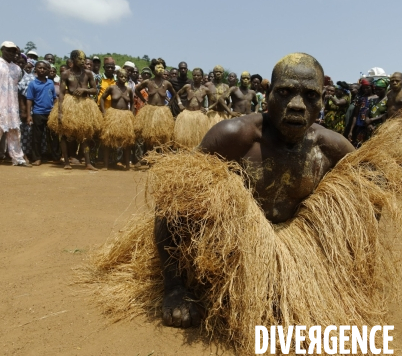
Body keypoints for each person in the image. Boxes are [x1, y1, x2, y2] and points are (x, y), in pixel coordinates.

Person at [154, 52, 355, 327]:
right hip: (233, 250)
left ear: (322, 99)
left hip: (293, 252)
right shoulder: (234, 136)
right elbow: (170, 203)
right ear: (268, 94)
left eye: (310, 96)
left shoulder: (333, 148)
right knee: (182, 200)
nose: (297, 105)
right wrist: (174, 287)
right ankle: (181, 286)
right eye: (285, 92)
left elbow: (368, 200)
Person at [0, 41, 31, 167]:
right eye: (8, 50)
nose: (10, 53)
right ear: (2, 49)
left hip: (12, 106)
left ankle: (18, 158)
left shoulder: (17, 69)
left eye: (13, 51)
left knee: (14, 131)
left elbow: (16, 88)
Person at [52, 50, 100, 170]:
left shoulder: (88, 74)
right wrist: (60, 111)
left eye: (84, 59)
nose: (83, 61)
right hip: (70, 104)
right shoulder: (66, 74)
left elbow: (95, 90)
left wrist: (85, 90)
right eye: (80, 59)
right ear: (73, 60)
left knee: (85, 134)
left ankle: (88, 163)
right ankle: (67, 162)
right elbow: (61, 93)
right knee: (64, 133)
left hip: (84, 105)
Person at [134, 58, 180, 149]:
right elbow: (137, 90)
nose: (160, 69)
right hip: (150, 111)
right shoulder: (148, 82)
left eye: (162, 67)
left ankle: (158, 157)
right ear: (153, 69)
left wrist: (169, 104)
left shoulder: (167, 83)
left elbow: (175, 94)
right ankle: (148, 157)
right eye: (158, 67)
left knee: (161, 135)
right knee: (148, 135)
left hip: (162, 112)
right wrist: (144, 100)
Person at [99, 68, 135, 170]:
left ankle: (127, 165)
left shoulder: (128, 90)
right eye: (121, 76)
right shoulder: (112, 88)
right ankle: (105, 165)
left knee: (127, 141)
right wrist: (104, 112)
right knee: (108, 140)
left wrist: (132, 114)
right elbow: (102, 98)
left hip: (125, 116)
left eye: (125, 77)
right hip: (113, 115)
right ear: (117, 77)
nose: (123, 78)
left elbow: (132, 102)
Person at [25, 61, 58, 165]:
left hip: (50, 113)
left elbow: (54, 98)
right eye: (40, 68)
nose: (42, 70)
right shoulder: (32, 84)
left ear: (47, 70)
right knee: (37, 137)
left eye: (44, 68)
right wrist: (29, 115)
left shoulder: (50, 83)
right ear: (36, 69)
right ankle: (37, 158)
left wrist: (56, 111)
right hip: (38, 113)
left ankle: (56, 157)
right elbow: (29, 99)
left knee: (54, 136)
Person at [174, 68, 210, 148]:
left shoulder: (205, 89)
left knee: (198, 138)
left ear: (202, 77)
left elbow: (213, 101)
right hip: (187, 114)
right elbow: (177, 94)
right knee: (185, 137)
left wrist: (207, 108)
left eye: (198, 75)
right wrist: (180, 103)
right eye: (194, 75)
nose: (196, 77)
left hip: (199, 115)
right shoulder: (187, 86)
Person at [348, 78, 377, 147]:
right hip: (360, 128)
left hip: (373, 128)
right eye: (364, 88)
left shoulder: (377, 98)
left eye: (368, 88)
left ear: (372, 87)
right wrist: (351, 131)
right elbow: (355, 115)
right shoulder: (361, 99)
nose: (366, 90)